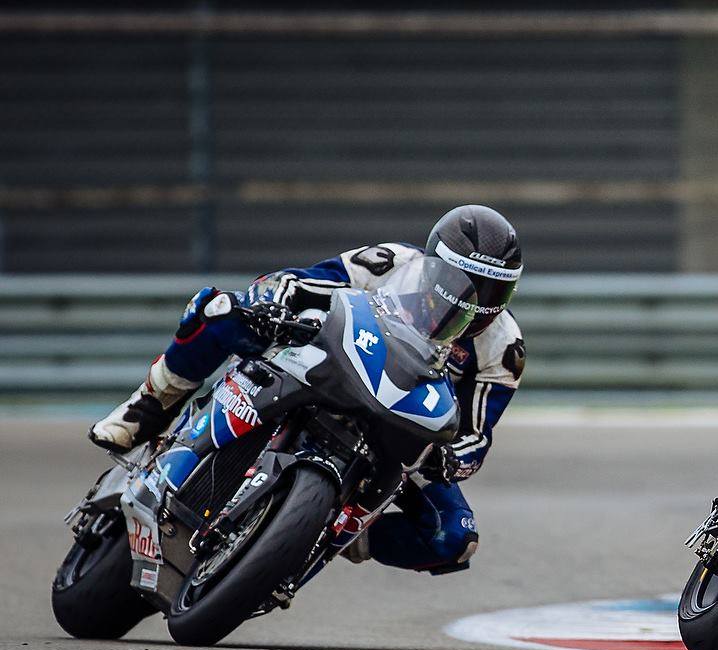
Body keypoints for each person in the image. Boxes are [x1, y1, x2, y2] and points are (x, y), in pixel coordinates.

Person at [89, 205, 527, 575]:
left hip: (398, 431)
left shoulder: (504, 349)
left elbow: (475, 435)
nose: (480, 299)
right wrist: (277, 299)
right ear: (435, 264)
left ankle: (329, 537)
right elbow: (308, 281)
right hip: (328, 365)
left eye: (496, 289)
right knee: (219, 309)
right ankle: (150, 403)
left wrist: (450, 458)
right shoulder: (391, 263)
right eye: (469, 281)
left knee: (455, 538)